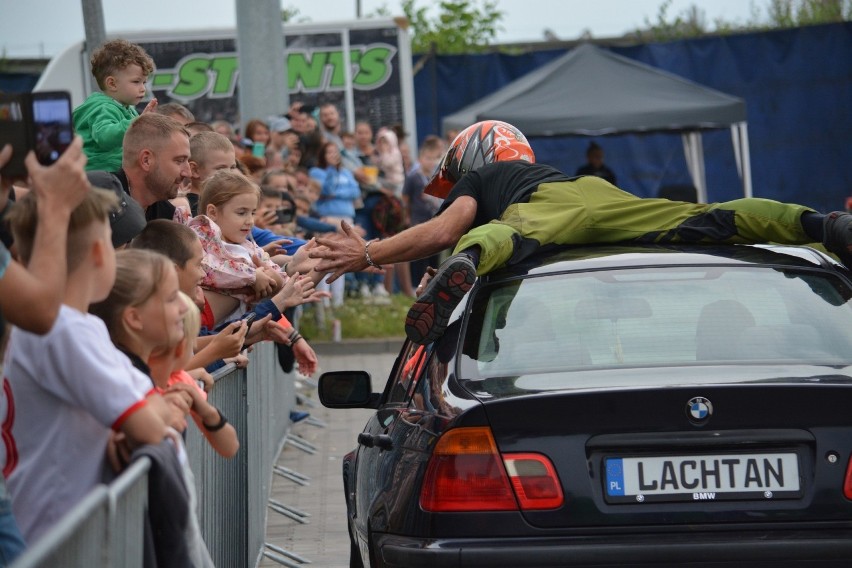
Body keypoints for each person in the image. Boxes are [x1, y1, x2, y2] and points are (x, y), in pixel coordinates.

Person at [310, 120, 852, 346]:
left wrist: (368, 252)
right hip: (600, 197)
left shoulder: (482, 178)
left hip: (546, 209)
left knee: (504, 236)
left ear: (472, 156)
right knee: (706, 218)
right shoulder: (558, 171)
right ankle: (819, 225)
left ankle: (465, 268)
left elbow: (444, 229)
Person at [2, 189, 171, 544]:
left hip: (59, 527)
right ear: (100, 252)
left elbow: (155, 406)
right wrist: (140, 419)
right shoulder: (66, 329)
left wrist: (142, 416)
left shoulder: (78, 326)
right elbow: (153, 427)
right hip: (52, 535)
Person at [88, 249, 214, 567]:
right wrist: (155, 413)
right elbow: (156, 424)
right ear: (133, 318)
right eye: (172, 299)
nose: (181, 308)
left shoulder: (129, 372)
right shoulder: (114, 367)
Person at [148, 291, 240, 458]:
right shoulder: (144, 383)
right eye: (192, 340)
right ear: (182, 347)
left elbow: (230, 446)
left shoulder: (180, 379)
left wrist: (206, 411)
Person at [87, 113, 192, 222]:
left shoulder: (167, 215)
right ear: (146, 160)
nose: (188, 173)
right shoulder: (94, 203)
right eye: (179, 161)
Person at [73, 39, 158, 171]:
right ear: (112, 84)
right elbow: (105, 137)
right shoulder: (102, 108)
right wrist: (137, 123)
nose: (143, 89)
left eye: (144, 82)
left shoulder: (128, 109)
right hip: (101, 174)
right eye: (136, 82)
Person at [310, 141, 361, 307]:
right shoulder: (317, 172)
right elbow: (326, 191)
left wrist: (338, 193)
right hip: (327, 219)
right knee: (326, 258)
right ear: (323, 155)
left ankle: (337, 302)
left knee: (342, 258)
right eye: (329, 152)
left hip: (347, 218)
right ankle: (323, 302)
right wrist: (332, 171)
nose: (333, 155)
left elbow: (355, 191)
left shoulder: (346, 172)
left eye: (335, 152)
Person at [402, 135, 446, 286]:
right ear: (420, 159)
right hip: (418, 220)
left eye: (433, 158)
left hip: (434, 219)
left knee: (434, 252)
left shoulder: (436, 177)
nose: (430, 162)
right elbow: (406, 198)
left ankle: (431, 282)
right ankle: (416, 283)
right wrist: (407, 217)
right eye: (427, 158)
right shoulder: (414, 177)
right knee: (419, 252)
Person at [187, 131, 239, 216]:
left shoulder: (225, 202)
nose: (230, 175)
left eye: (232, 167)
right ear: (194, 170)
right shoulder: (188, 210)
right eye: (221, 169)